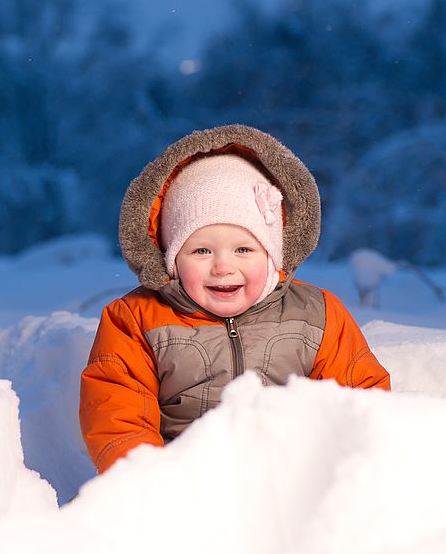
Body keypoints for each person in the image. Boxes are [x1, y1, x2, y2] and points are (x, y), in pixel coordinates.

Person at [80, 124, 390, 473]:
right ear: (171, 258)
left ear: (273, 254)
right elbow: (118, 413)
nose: (223, 267)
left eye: (244, 249)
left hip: (292, 481)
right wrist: (150, 480)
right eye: (201, 250)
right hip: (184, 483)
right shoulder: (136, 319)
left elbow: (361, 400)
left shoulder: (317, 314)